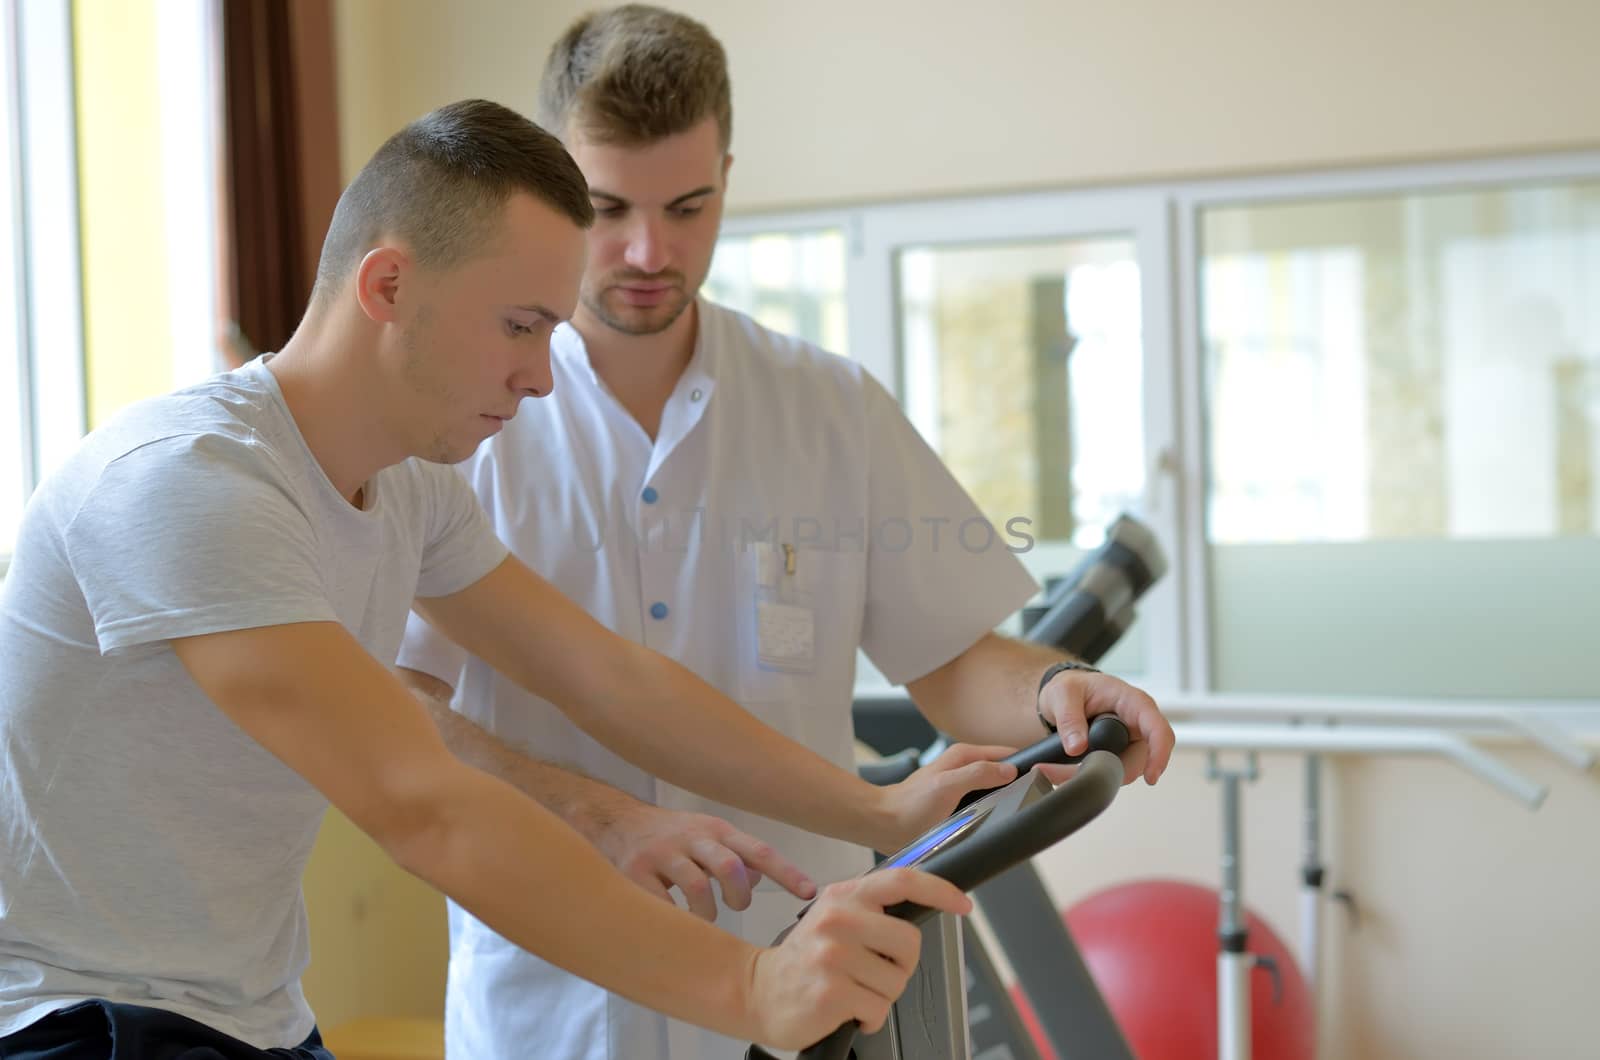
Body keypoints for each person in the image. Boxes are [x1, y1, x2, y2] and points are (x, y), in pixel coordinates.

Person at [0, 98, 1019, 1060]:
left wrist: (877, 811)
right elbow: (422, 802)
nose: (540, 376)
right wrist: (753, 986)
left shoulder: (407, 490)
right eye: (522, 326)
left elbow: (610, 678)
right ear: (388, 286)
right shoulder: (188, 487)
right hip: (79, 1015)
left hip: (252, 1014)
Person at [396, 9, 1177, 1060]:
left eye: (688, 205)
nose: (646, 251)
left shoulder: (827, 407)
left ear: (727, 169)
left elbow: (951, 660)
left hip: (803, 990)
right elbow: (397, 706)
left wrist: (1053, 689)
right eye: (606, 207)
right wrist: (595, 812)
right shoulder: (468, 418)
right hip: (554, 1007)